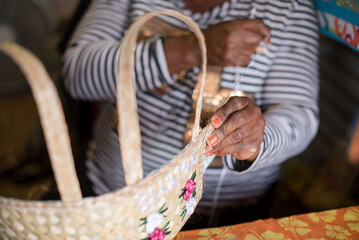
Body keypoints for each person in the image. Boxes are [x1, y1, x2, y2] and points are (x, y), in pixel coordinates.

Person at [62, 0, 319, 228]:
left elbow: (300, 114)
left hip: (223, 218)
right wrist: (194, 47)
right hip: (109, 196)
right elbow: (76, 75)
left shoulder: (288, 6)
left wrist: (254, 139)